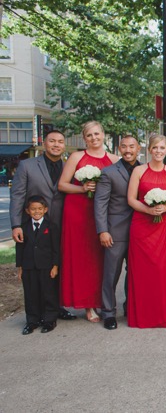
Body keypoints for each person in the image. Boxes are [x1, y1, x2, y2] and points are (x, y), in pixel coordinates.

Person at [9, 129, 76, 321]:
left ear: (64, 145)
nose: (56, 145)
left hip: (61, 225)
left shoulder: (68, 167)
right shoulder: (27, 165)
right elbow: (18, 195)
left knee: (58, 267)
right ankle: (35, 312)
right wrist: (16, 224)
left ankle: (57, 308)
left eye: (60, 142)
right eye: (52, 141)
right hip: (33, 227)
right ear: (44, 144)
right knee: (34, 270)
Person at [58, 121, 119, 322]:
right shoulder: (77, 157)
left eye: (96, 134)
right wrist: (82, 189)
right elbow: (63, 185)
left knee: (100, 259)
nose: (94, 138)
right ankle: (87, 304)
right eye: (89, 135)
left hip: (102, 215)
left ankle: (101, 300)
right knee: (83, 259)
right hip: (78, 212)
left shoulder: (113, 159)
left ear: (103, 134)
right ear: (85, 138)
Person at [127, 134, 166, 328]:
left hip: (163, 226)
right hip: (142, 225)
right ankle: (142, 315)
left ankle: (161, 313)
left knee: (161, 270)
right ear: (149, 150)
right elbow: (131, 199)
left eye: (162, 148)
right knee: (142, 271)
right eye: (155, 148)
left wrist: (163, 209)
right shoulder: (139, 171)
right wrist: (148, 209)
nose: (158, 151)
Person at [94, 135, 141, 330]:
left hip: (141, 232)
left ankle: (131, 308)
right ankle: (108, 312)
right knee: (111, 273)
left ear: (138, 148)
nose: (128, 150)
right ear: (119, 149)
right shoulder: (109, 172)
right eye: (124, 146)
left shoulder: (145, 170)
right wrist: (103, 230)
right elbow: (100, 204)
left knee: (136, 273)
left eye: (132, 146)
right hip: (116, 230)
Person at [16, 196, 60, 334]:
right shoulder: (23, 227)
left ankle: (49, 320)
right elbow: (20, 248)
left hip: (46, 266)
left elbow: (56, 248)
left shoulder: (51, 226)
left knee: (48, 293)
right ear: (27, 211)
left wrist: (55, 266)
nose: (36, 211)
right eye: (33, 209)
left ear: (45, 210)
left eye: (40, 209)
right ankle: (32, 321)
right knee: (31, 294)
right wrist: (20, 267)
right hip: (29, 266)